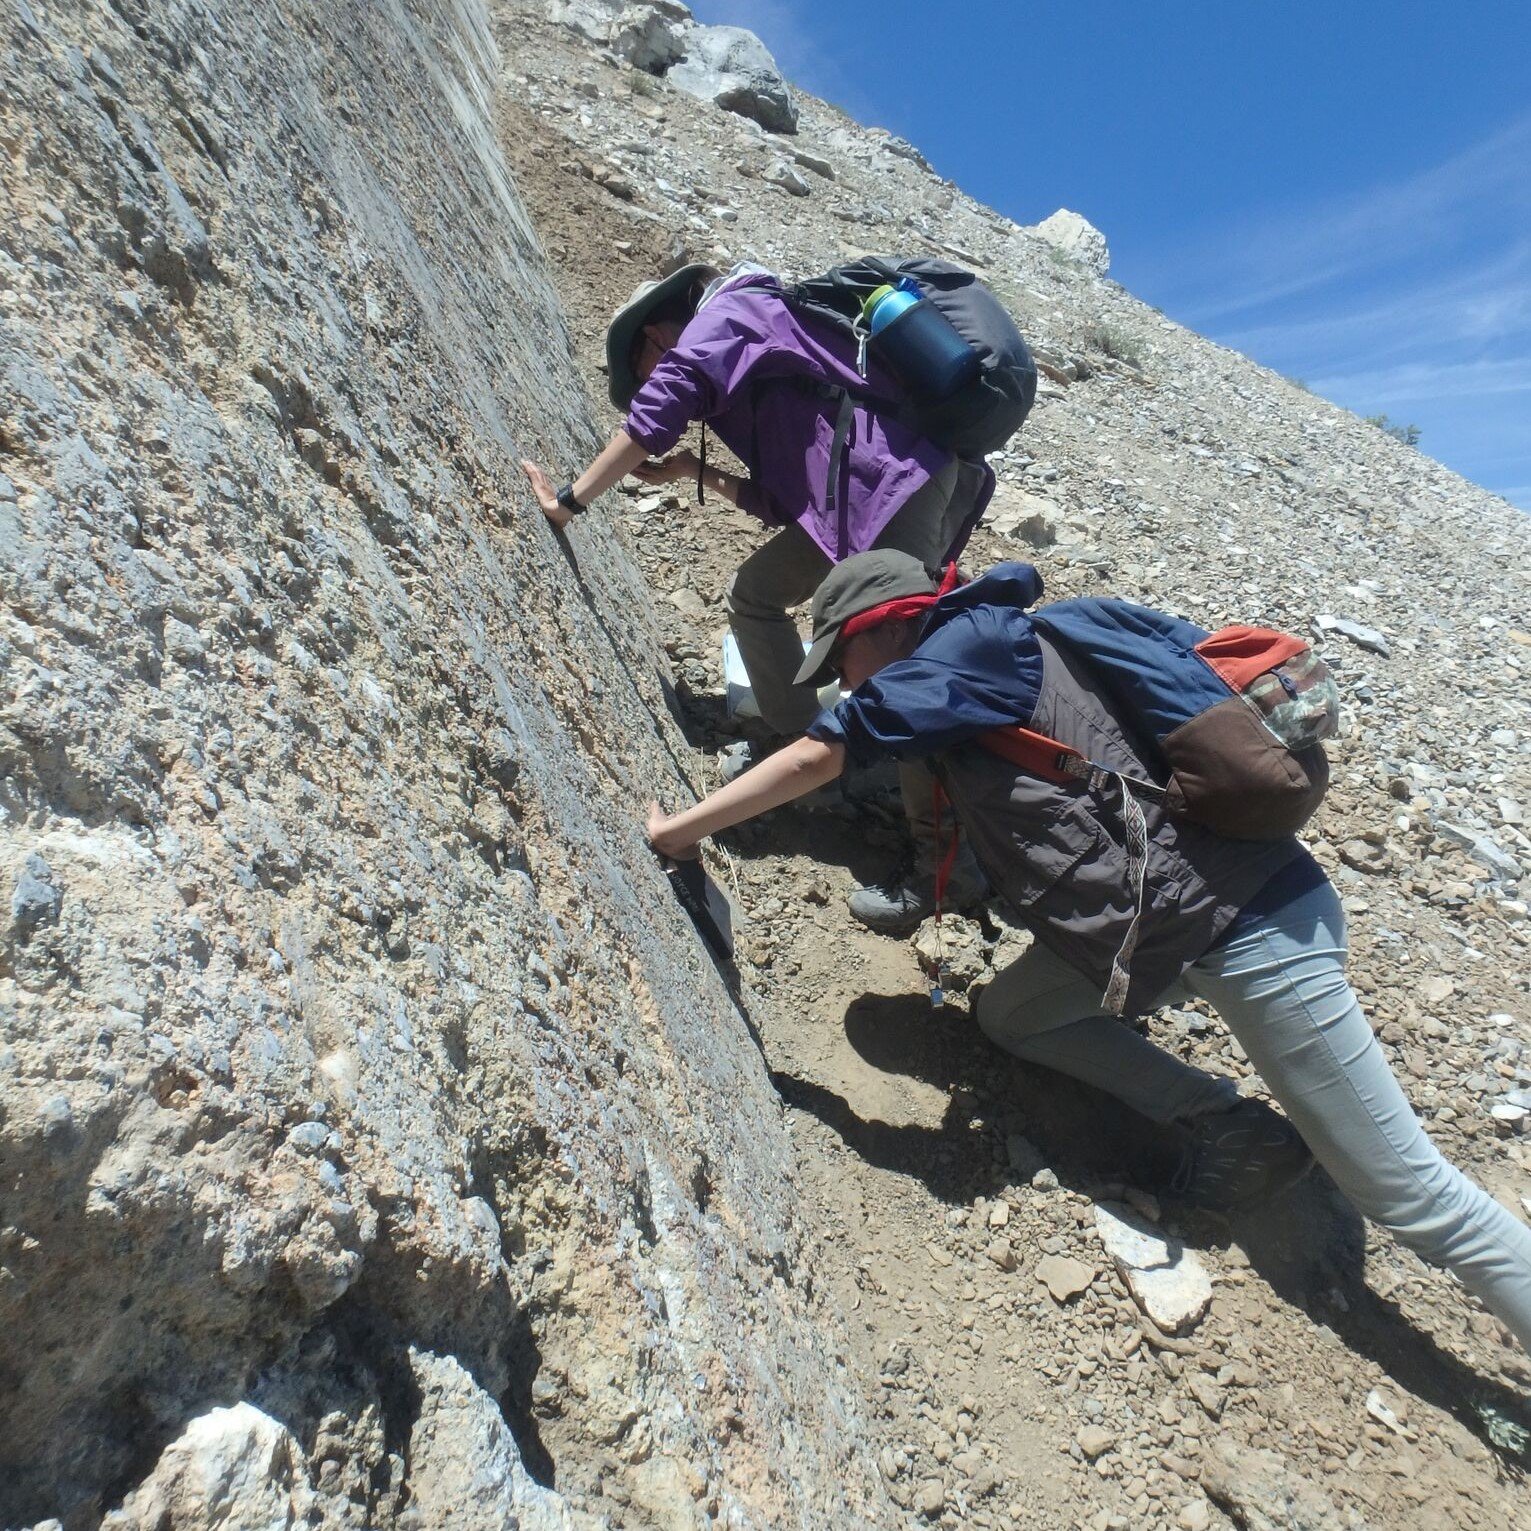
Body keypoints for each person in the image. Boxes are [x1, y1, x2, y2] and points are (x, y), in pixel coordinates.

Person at [646, 550, 1531, 1359]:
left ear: (885, 623)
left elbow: (820, 755)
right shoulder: (979, 658)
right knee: (1011, 1013)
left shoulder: (967, 651)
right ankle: (1229, 1124)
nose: (842, 679)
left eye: (841, 658)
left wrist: (681, 830)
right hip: (1165, 923)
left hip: (1248, 925)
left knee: (1410, 1195)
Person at [519, 262, 990, 931]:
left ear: (658, 333)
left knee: (902, 672)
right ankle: (804, 749)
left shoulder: (731, 313)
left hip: (899, 482)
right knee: (757, 593)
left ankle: (947, 866)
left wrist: (567, 503)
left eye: (648, 366)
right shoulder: (749, 375)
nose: (653, 381)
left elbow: (660, 409)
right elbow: (782, 500)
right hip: (859, 495)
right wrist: (692, 468)